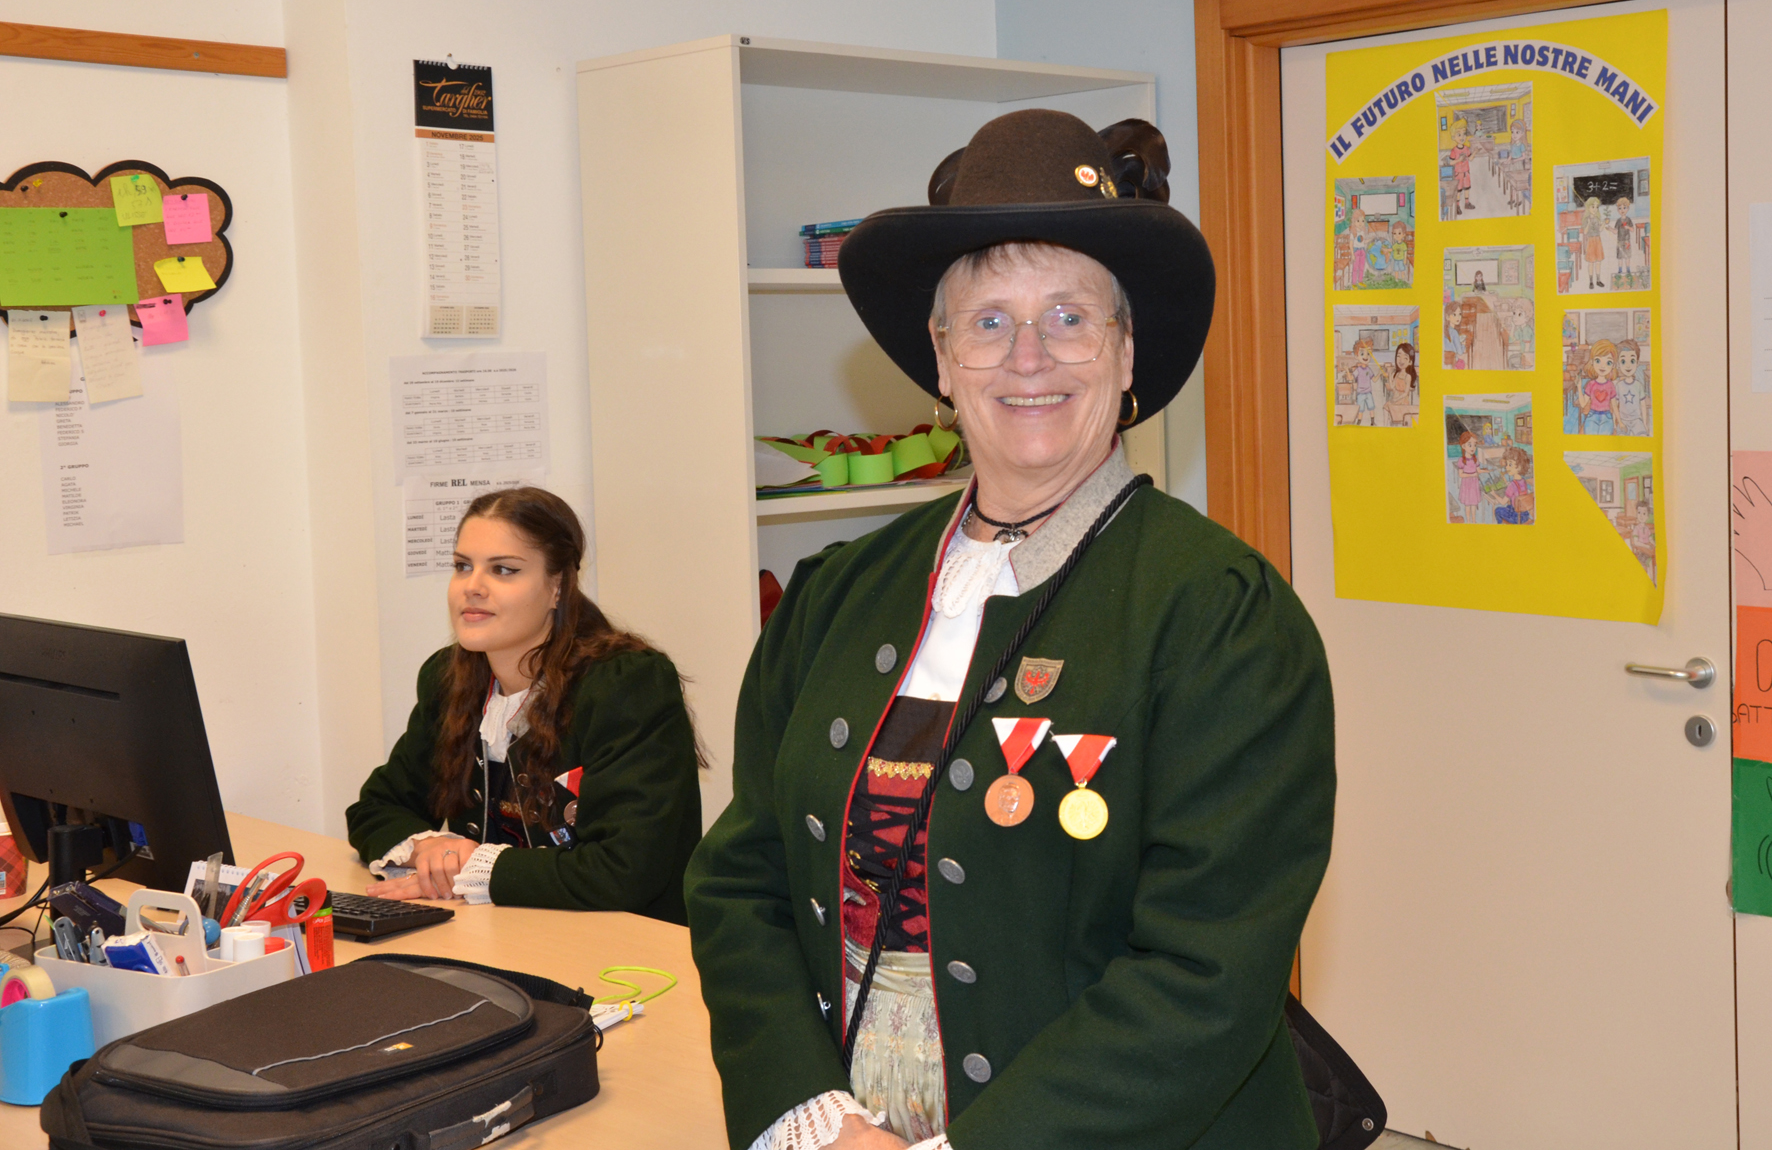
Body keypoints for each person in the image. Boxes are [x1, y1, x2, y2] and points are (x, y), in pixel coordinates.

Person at [686, 110, 1336, 1150]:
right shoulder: (837, 593)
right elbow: (741, 877)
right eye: (987, 322)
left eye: (1069, 317)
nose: (1028, 357)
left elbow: (1205, 969)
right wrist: (808, 1113)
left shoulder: (1220, 614)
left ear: (1127, 353)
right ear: (941, 361)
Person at [346, 487, 703, 921]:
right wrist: (431, 848)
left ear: (557, 588)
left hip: (622, 945)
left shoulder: (627, 684)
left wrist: (473, 868)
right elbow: (374, 808)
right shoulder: (448, 678)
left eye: (503, 570)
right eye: (462, 566)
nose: (472, 587)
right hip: (496, 935)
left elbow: (627, 870)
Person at [1579, 340, 1619, 436]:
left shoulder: (1611, 385)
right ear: (1592, 362)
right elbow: (1583, 403)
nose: (1602, 366)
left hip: (1607, 417)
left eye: (1608, 362)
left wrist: (1617, 423)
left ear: (1613, 365)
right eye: (1598, 361)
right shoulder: (1591, 384)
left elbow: (1614, 405)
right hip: (1592, 416)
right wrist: (1579, 387)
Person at [1386, 341, 1419, 426]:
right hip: (1395, 399)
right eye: (1398, 356)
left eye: (1405, 358)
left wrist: (1396, 399)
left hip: (1402, 402)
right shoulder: (1397, 374)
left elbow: (1405, 393)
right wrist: (1390, 375)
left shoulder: (1408, 376)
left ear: (1410, 362)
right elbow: (1392, 387)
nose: (1401, 360)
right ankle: (1386, 427)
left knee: (1399, 419)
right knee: (1385, 408)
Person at [1454, 431, 1484, 523]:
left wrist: (1488, 471)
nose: (1473, 448)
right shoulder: (1461, 460)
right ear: (1463, 446)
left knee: (1474, 504)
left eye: (1474, 445)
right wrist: (1472, 475)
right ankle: (1468, 521)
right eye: (1470, 445)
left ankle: (1473, 521)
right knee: (1467, 505)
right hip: (1466, 484)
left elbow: (1479, 470)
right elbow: (1460, 474)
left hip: (1474, 484)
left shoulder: (1475, 459)